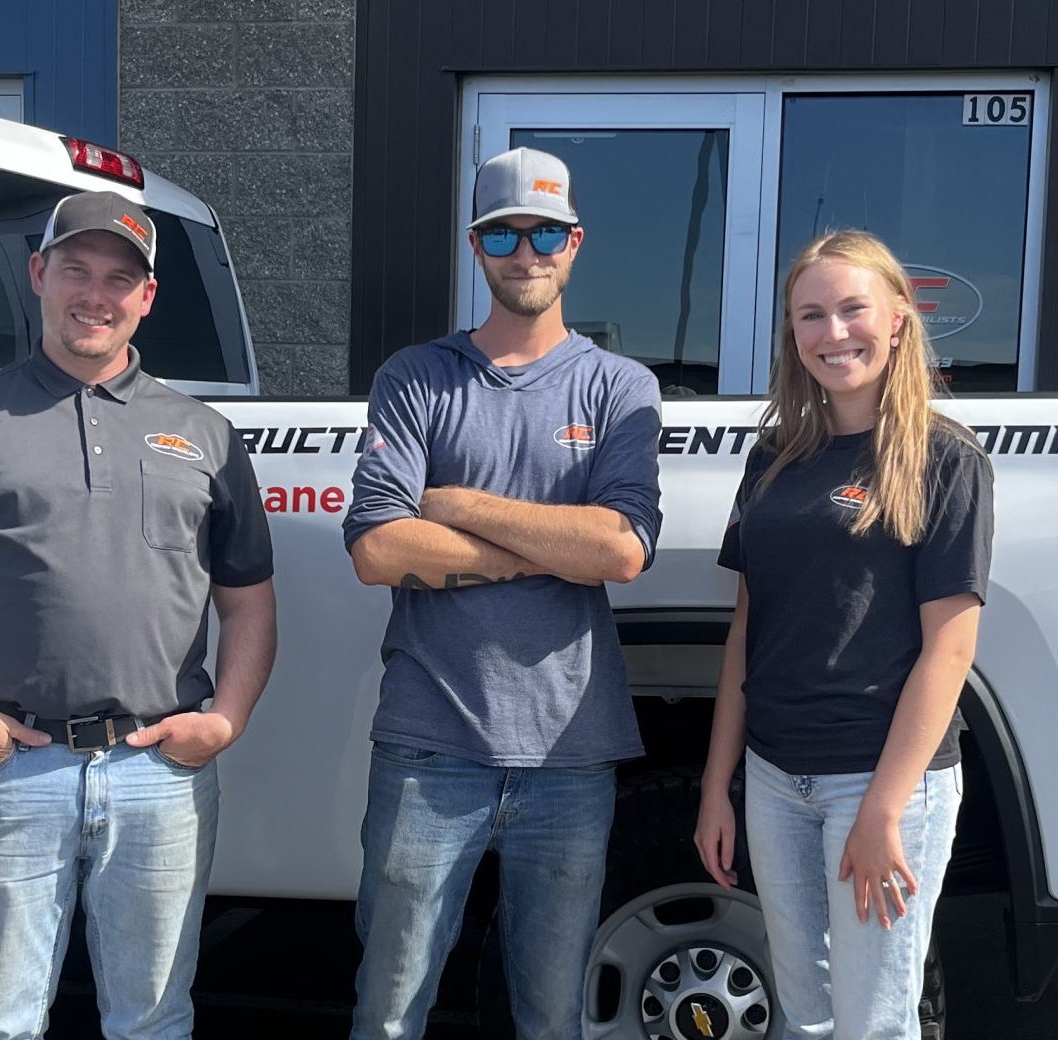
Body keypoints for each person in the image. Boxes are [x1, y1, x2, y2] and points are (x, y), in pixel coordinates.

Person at [0, 191, 277, 1040]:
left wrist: (223, 722)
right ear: (39, 275)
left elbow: (249, 601)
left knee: (152, 1022)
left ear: (146, 298)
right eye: (76, 269)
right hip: (10, 774)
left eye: (121, 278)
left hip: (161, 776)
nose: (96, 294)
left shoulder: (204, 434)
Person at [342, 147, 663, 1040]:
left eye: (546, 232)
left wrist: (464, 509)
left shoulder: (617, 387)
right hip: (427, 746)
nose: (527, 252)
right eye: (504, 233)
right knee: (389, 1006)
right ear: (477, 246)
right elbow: (376, 549)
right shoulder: (416, 377)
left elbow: (620, 548)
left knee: (552, 1014)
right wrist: (550, 546)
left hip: (570, 754)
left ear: (575, 242)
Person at [694, 230, 993, 1040]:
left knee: (873, 1022)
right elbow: (747, 629)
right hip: (774, 778)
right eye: (810, 315)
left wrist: (882, 811)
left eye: (852, 309)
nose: (834, 334)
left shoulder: (942, 458)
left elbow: (950, 649)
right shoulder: (772, 458)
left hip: (880, 782)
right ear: (792, 334)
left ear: (897, 317)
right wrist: (717, 785)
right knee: (803, 1015)